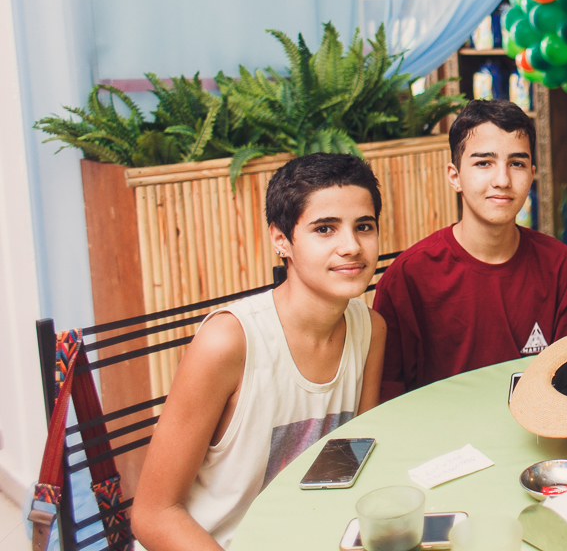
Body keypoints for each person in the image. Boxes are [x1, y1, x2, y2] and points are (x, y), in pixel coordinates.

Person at [132, 154, 388, 550]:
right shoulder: (229, 341)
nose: (351, 246)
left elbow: (355, 461)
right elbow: (153, 515)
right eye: (325, 229)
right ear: (280, 239)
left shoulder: (370, 329)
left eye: (364, 226)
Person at [372, 99, 567, 399]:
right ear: (455, 176)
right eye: (483, 163)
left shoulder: (557, 262)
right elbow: (387, 395)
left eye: (516, 164)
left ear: (531, 174)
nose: (502, 180)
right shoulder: (409, 276)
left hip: (536, 432)